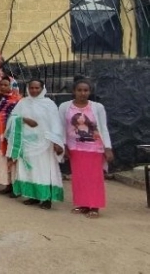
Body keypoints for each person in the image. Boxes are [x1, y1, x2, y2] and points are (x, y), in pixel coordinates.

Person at [6, 79, 65, 210]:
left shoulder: (49, 104)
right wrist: (24, 119)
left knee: (44, 170)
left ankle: (46, 198)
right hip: (26, 143)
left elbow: (56, 124)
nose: (34, 90)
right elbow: (12, 118)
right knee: (30, 170)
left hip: (44, 143)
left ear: (42, 88)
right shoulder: (23, 102)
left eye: (37, 88)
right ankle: (33, 196)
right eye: (31, 88)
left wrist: (56, 141)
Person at [59, 78, 113, 219]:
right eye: (79, 90)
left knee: (95, 177)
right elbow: (61, 127)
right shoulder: (65, 107)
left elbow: (103, 128)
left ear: (90, 92)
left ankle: (94, 206)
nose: (82, 93)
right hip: (75, 147)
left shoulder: (97, 107)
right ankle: (82, 204)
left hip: (95, 147)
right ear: (73, 91)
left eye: (86, 90)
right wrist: (63, 145)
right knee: (79, 177)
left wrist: (108, 148)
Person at [0, 76, 21, 196]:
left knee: (12, 160)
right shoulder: (0, 99)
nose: (2, 87)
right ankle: (7, 184)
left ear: (12, 86)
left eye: (5, 85)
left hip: (9, 136)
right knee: (2, 160)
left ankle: (15, 187)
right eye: (1, 85)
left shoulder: (17, 100)